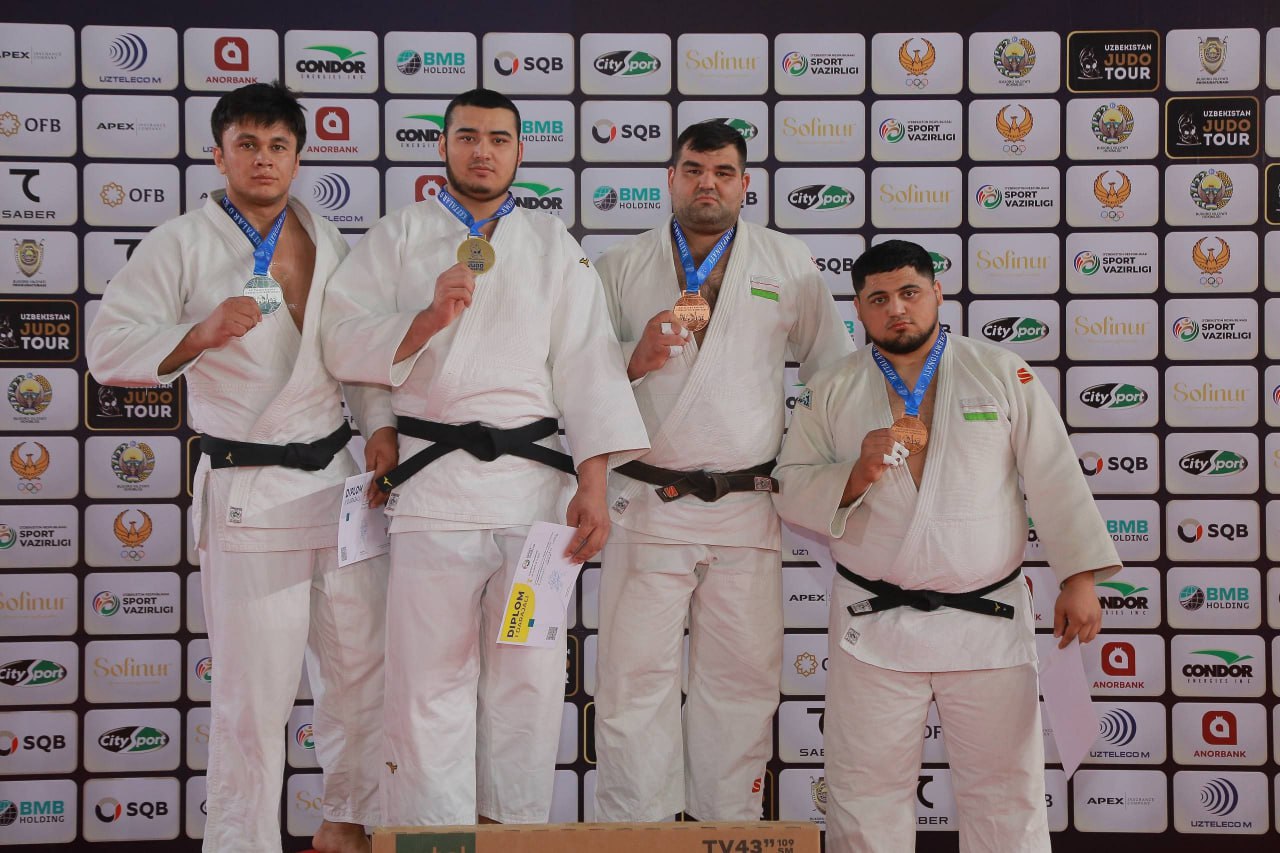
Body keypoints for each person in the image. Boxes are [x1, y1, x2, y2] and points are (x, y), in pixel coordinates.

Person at [318, 87, 649, 827]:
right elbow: (343, 343)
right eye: (467, 136)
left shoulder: (552, 243)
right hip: (433, 493)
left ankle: (512, 834)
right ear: (442, 146)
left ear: (519, 152)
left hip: (534, 500)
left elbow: (589, 366)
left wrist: (593, 483)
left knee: (528, 680)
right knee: (427, 681)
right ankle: (431, 839)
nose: (482, 151)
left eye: (499, 139)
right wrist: (425, 321)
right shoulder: (399, 236)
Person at [86, 81, 394, 853]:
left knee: (361, 670)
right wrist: (198, 332)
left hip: (337, 481)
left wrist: (382, 426)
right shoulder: (179, 243)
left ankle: (346, 824)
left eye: (278, 145)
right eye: (247, 145)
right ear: (219, 155)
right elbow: (106, 350)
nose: (263, 159)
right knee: (252, 699)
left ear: (298, 156)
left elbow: (355, 351)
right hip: (250, 490)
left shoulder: (329, 238)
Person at [772, 239, 1121, 852]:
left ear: (937, 292)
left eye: (910, 292)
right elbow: (789, 486)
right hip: (873, 624)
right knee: (864, 795)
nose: (896, 309)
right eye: (879, 299)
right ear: (859, 309)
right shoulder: (831, 387)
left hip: (987, 621)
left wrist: (1079, 578)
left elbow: (1054, 475)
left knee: (1005, 794)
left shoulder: (1000, 370)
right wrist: (853, 474)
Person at [593, 120, 854, 822]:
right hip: (648, 499)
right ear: (670, 178)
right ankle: (640, 835)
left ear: (745, 184)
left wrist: (822, 472)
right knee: (632, 683)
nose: (707, 183)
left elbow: (832, 374)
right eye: (693, 169)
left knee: (739, 685)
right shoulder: (620, 265)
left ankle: (726, 829)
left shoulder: (787, 260)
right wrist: (633, 358)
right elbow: (578, 377)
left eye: (723, 172)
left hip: (747, 503)